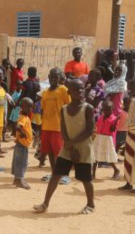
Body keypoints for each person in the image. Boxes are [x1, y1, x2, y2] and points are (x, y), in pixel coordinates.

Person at [34, 79, 95, 214]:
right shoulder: (64, 109)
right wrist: (69, 146)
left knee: (86, 178)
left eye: (81, 89)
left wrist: (71, 143)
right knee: (56, 175)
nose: (80, 91)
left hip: (84, 148)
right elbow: (63, 129)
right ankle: (45, 204)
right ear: (69, 93)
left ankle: (90, 204)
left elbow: (89, 130)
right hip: (67, 148)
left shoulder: (88, 108)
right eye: (76, 89)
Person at [40, 68, 71, 183]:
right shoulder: (45, 92)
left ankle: (63, 174)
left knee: (59, 152)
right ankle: (54, 172)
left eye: (56, 77)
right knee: (49, 151)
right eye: (51, 77)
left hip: (59, 127)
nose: (53, 79)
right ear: (48, 77)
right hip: (46, 127)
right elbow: (43, 110)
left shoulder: (63, 90)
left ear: (59, 78)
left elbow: (69, 107)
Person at [93, 100, 120, 179]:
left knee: (109, 157)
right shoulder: (101, 118)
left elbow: (112, 129)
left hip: (108, 139)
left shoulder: (114, 119)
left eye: (108, 109)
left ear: (113, 109)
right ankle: (93, 174)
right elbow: (96, 126)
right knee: (95, 156)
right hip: (99, 138)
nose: (106, 111)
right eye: (105, 109)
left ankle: (116, 170)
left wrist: (115, 122)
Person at [12, 97, 33, 190]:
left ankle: (17, 180)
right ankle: (20, 179)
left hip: (22, 144)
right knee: (21, 162)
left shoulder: (25, 117)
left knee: (18, 161)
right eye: (28, 107)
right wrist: (23, 133)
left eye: (31, 107)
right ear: (22, 107)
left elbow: (25, 127)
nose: (30, 109)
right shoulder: (23, 118)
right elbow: (17, 127)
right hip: (22, 144)